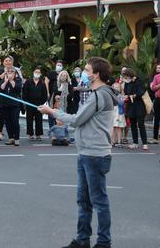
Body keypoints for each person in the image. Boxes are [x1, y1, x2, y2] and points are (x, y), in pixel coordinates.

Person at [39, 57, 116, 248]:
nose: (84, 73)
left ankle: (104, 242)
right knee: (84, 200)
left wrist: (52, 111)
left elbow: (76, 120)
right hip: (86, 152)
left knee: (98, 200)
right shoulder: (98, 93)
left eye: (88, 70)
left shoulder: (100, 95)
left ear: (96, 74)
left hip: (94, 154)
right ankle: (82, 239)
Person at [22, 67, 49, 141]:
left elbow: (45, 94)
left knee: (39, 119)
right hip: (29, 103)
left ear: (40, 74)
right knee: (29, 119)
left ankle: (38, 134)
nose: (37, 73)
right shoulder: (28, 82)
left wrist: (42, 103)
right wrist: (26, 102)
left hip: (39, 104)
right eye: (36, 72)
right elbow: (24, 93)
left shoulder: (42, 83)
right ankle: (30, 134)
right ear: (33, 72)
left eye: (38, 72)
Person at [0, 66, 22, 146]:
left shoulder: (18, 80)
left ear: (15, 74)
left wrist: (11, 80)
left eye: (11, 72)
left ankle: (16, 139)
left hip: (15, 105)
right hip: (5, 104)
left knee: (15, 121)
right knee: (8, 122)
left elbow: (17, 89)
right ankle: (10, 138)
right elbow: (0, 89)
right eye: (8, 72)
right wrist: (5, 81)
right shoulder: (4, 80)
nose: (9, 74)